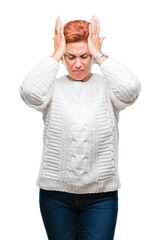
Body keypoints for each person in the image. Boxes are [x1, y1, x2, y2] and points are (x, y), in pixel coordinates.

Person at [19, 15, 141, 240]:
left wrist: (99, 54)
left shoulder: (108, 88)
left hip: (101, 196)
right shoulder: (52, 88)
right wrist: (55, 54)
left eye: (84, 56)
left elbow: (131, 89)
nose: (77, 63)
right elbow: (29, 93)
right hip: (56, 195)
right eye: (70, 56)